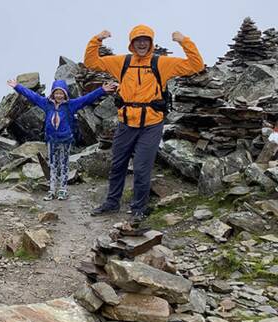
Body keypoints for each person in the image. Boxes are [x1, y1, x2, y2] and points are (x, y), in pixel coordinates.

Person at [84, 25, 205, 223]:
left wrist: (184, 41)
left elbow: (196, 65)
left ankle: (139, 207)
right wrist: (97, 39)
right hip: (126, 123)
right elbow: (91, 62)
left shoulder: (161, 63)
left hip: (151, 124)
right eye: (138, 40)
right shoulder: (121, 62)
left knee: (141, 168)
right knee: (117, 165)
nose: (141, 43)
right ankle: (112, 203)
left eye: (145, 40)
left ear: (150, 43)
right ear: (132, 43)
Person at [7, 79, 116, 200]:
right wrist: (17, 86)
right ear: (53, 93)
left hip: (65, 140)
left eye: (61, 93)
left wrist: (102, 90)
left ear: (65, 93)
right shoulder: (46, 103)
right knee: (53, 165)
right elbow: (32, 95)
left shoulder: (71, 105)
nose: (59, 95)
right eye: (56, 92)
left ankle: (63, 190)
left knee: (63, 164)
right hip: (51, 140)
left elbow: (87, 98)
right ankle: (52, 190)